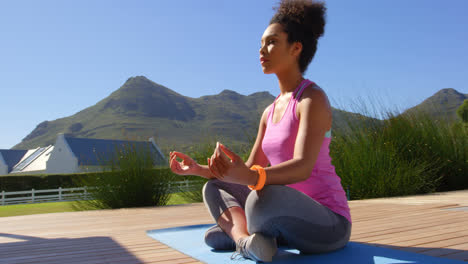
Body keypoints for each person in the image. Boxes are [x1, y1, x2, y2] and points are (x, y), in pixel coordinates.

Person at [169, 0, 351, 262]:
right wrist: (199, 169)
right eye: (261, 43)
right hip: (283, 211)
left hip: (329, 223)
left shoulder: (312, 99)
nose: (261, 50)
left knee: (260, 199)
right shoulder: (269, 111)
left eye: (272, 42)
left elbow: (302, 167)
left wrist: (253, 178)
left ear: (295, 48)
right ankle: (246, 241)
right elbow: (250, 168)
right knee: (214, 188)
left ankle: (240, 230)